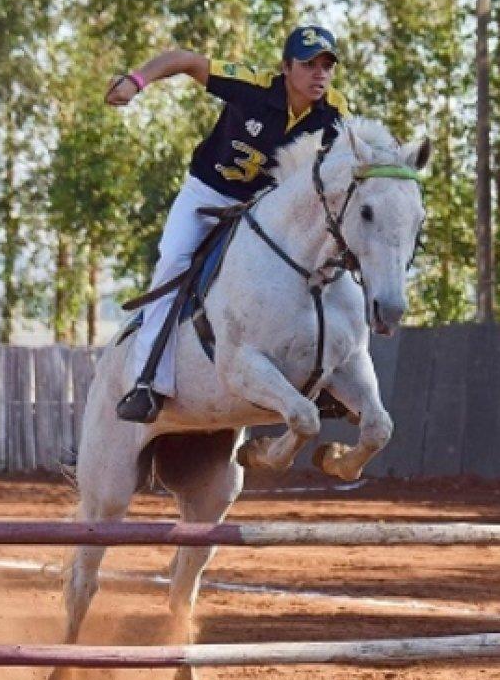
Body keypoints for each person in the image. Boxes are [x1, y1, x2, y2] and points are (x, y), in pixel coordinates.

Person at [106, 25, 350, 423]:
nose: (319, 74)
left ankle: (319, 379)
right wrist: (136, 81)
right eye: (309, 64)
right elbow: (185, 60)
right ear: (286, 67)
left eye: (327, 66)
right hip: (208, 195)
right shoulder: (252, 87)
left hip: (264, 208)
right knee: (173, 262)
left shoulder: (334, 111)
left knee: (316, 265)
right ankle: (147, 380)